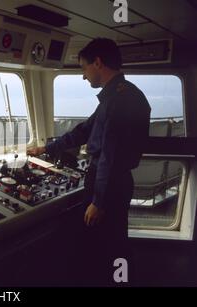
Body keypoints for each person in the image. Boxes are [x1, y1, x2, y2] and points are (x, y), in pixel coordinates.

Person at [27, 38, 151, 285]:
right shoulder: (122, 95)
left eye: (84, 68)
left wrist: (99, 201)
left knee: (111, 246)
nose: (84, 76)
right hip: (115, 181)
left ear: (98, 62)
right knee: (110, 242)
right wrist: (45, 148)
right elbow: (84, 130)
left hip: (108, 184)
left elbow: (110, 157)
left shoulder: (118, 101)